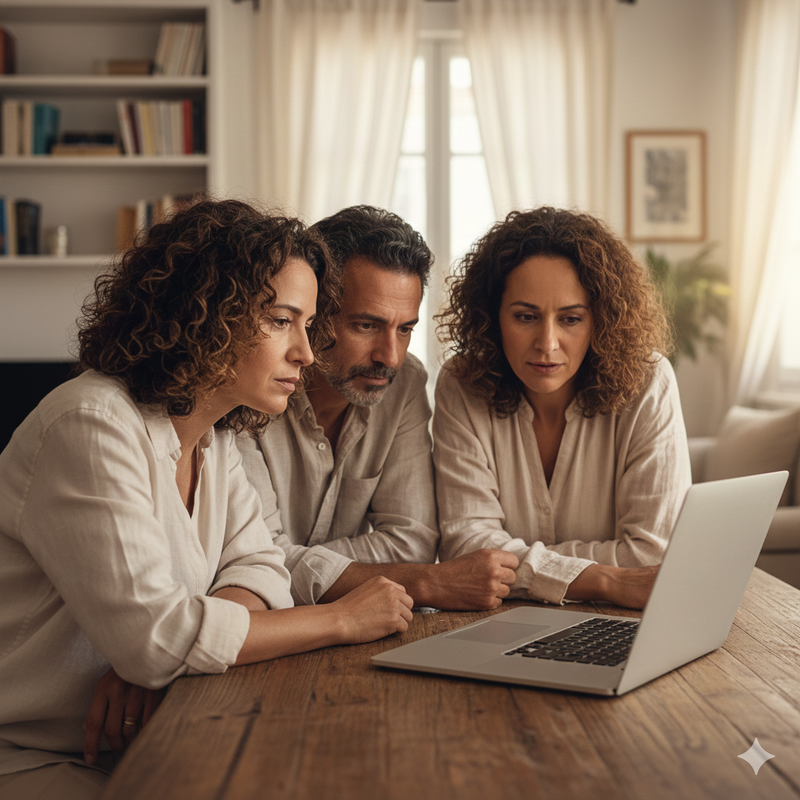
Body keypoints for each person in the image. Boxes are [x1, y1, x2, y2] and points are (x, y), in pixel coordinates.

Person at [0, 199, 413, 799]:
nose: (305, 351)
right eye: (281, 320)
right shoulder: (90, 424)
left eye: (308, 324)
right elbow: (155, 640)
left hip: (153, 733)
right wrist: (341, 618)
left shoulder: (213, 438)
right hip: (31, 756)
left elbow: (261, 568)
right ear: (206, 313)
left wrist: (184, 646)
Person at [238, 205, 518, 611]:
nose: (390, 356)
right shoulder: (251, 387)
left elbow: (413, 542)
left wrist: (301, 564)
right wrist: (424, 581)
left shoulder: (404, 384)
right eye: (366, 325)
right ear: (317, 312)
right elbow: (255, 561)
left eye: (405, 329)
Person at [433, 206, 692, 610]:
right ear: (492, 318)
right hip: (501, 622)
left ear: (600, 320)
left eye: (570, 319)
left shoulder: (649, 383)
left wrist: (522, 564)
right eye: (525, 317)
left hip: (619, 621)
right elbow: (467, 547)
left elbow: (653, 555)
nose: (547, 343)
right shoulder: (461, 384)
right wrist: (606, 580)